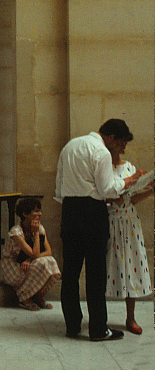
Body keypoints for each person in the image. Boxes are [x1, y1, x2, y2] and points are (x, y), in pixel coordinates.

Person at [55, 118, 142, 341]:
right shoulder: (101, 151)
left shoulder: (70, 146)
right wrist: (130, 180)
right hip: (92, 212)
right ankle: (98, 329)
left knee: (71, 271)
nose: (121, 148)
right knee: (96, 272)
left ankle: (72, 325)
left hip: (69, 209)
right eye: (121, 142)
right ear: (111, 137)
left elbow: (59, 186)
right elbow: (108, 189)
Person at [106, 143, 152, 335]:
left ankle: (130, 317)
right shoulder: (103, 167)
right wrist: (109, 199)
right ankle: (101, 318)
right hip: (110, 220)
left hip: (130, 222)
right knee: (107, 266)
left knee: (132, 265)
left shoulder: (129, 167)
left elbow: (131, 199)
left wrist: (150, 191)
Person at [0, 197, 61, 310]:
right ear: (25, 214)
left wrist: (29, 259)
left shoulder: (40, 228)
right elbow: (35, 254)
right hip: (12, 266)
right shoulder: (16, 232)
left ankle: (38, 294)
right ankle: (24, 297)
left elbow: (48, 252)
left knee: (50, 261)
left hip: (25, 262)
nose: (40, 214)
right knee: (41, 263)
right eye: (36, 211)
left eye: (40, 210)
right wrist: (36, 233)